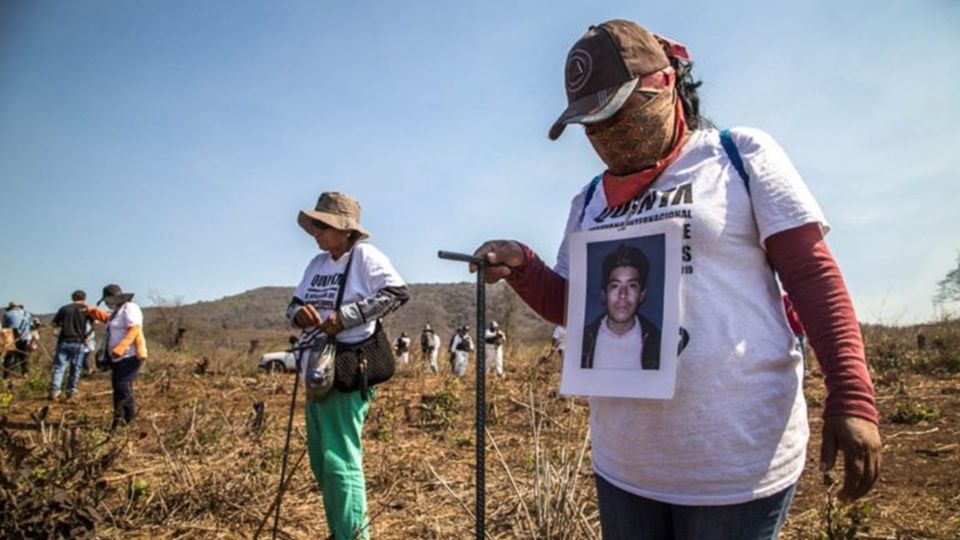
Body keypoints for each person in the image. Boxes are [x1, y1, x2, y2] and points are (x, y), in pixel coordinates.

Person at [471, 19, 880, 539]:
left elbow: (812, 276)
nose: (604, 132)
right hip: (625, 465)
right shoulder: (590, 201)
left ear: (666, 85)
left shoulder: (739, 157)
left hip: (733, 468)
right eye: (590, 122)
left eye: (617, 111)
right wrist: (524, 267)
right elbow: (576, 305)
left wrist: (852, 395)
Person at [286, 191, 408, 540]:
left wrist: (346, 318)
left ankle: (352, 536)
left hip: (347, 365)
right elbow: (292, 305)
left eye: (324, 226)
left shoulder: (364, 257)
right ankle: (341, 529)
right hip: (316, 369)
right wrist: (299, 314)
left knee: (339, 460)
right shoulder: (317, 265)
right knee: (322, 462)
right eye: (315, 225)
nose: (317, 233)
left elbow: (396, 293)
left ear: (346, 229)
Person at [581, 243, 661, 370]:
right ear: (604, 294)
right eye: (615, 286)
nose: (623, 294)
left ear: (642, 294)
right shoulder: (582, 340)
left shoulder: (658, 342)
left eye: (632, 285)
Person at [87, 284, 148, 430]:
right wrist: (95, 312)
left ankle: (128, 419)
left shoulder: (130, 308)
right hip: (117, 358)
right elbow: (111, 323)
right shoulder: (117, 311)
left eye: (108, 299)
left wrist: (121, 347)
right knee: (118, 388)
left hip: (129, 355)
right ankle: (119, 419)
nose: (107, 303)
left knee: (123, 386)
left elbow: (134, 328)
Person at [49, 290, 92, 400]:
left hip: (64, 341)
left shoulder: (64, 309)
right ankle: (71, 391)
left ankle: (55, 391)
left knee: (59, 367)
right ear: (84, 298)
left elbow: (54, 324)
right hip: (78, 342)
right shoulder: (86, 309)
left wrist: (56, 333)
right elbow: (94, 323)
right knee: (76, 368)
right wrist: (88, 335)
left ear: (72, 298)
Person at [2, 301, 33, 378]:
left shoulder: (7, 314)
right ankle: (25, 372)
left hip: (12, 337)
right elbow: (31, 325)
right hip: (25, 337)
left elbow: (4, 327)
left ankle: (6, 376)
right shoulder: (27, 314)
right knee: (23, 355)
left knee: (8, 357)